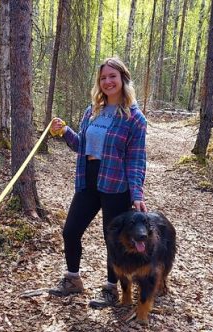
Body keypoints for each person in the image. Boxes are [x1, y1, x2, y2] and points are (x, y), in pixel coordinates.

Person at [48, 57, 148, 309]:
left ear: (123, 79)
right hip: (88, 178)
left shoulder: (135, 118)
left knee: (113, 239)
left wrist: (137, 193)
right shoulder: (92, 111)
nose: (107, 82)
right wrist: (64, 131)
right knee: (70, 230)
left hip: (117, 184)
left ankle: (111, 289)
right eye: (103, 78)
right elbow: (82, 145)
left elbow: (136, 159)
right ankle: (73, 280)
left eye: (112, 76)